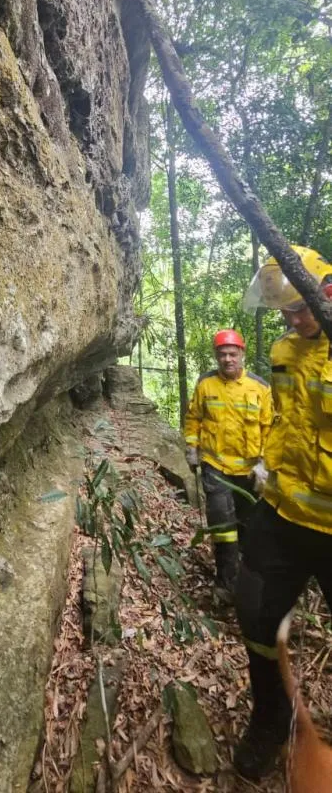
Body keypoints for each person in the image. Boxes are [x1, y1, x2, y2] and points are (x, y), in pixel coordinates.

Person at [233, 245, 332, 780]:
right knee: (254, 615)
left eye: (301, 307)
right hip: (283, 514)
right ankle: (269, 718)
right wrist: (267, 461)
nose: (295, 319)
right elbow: (288, 419)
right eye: (287, 311)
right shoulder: (283, 350)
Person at [184, 329, 273, 597]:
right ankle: (225, 585)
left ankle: (248, 584)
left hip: (249, 472)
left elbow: (270, 427)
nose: (227, 359)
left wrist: (265, 463)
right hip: (216, 468)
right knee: (223, 527)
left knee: (248, 529)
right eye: (222, 354)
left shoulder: (260, 387)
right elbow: (193, 418)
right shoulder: (206, 384)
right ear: (216, 356)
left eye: (232, 354)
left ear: (242, 355)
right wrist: (191, 446)